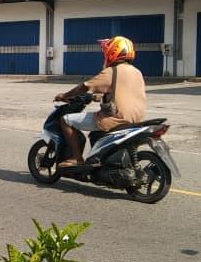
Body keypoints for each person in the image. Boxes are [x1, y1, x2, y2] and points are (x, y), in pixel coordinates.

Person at [54, 35, 146, 167]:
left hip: (116, 119)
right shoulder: (137, 72)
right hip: (136, 120)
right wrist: (99, 96)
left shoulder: (112, 71)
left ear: (113, 52)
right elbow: (121, 92)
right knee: (95, 132)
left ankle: (77, 158)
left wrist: (65, 95)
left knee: (65, 120)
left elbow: (85, 86)